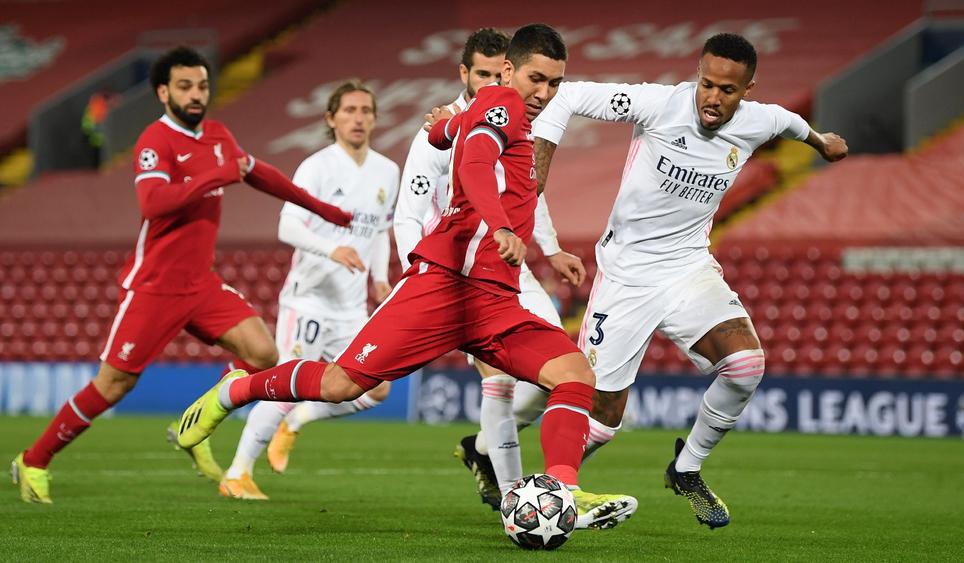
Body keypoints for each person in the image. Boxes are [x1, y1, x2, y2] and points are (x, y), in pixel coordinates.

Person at [174, 24, 635, 525]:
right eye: (535, 78)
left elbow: (457, 135)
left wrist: (442, 128)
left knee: (574, 375)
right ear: (507, 71)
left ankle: (561, 493)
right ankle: (234, 391)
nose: (544, 93)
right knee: (340, 385)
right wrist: (500, 225)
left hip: (495, 302)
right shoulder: (502, 103)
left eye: (554, 84)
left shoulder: (503, 115)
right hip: (442, 286)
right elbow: (478, 163)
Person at [529, 33, 848, 528]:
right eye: (706, 84)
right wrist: (537, 177)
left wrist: (821, 141)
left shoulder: (757, 120)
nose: (713, 98)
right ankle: (548, 494)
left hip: (687, 266)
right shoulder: (658, 104)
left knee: (745, 366)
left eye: (727, 90)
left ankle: (686, 468)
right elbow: (567, 96)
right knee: (603, 419)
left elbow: (789, 122)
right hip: (628, 275)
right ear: (695, 76)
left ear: (747, 90)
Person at [11, 46, 354, 504]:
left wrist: (324, 209)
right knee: (113, 384)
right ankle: (33, 460)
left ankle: (193, 422)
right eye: (185, 86)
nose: (196, 94)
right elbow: (154, 204)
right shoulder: (155, 141)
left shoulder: (216, 134)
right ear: (163, 92)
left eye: (203, 85)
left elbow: (260, 174)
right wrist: (214, 175)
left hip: (202, 283)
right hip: (155, 286)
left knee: (262, 352)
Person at [388, 28, 605, 524]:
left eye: (495, 72)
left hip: (511, 262)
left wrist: (549, 249)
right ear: (467, 74)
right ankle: (517, 497)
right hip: (456, 269)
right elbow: (409, 212)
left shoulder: (515, 120)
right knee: (500, 382)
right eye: (481, 74)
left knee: (559, 371)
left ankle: (486, 448)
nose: (491, 82)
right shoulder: (442, 132)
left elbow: (527, 191)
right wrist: (413, 272)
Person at [218, 80, 399, 500]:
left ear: (374, 118)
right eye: (349, 110)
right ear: (331, 119)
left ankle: (296, 422)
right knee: (286, 385)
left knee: (376, 387)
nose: (358, 118)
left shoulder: (387, 171)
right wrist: (332, 249)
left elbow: (379, 230)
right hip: (309, 300)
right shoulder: (317, 167)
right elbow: (287, 225)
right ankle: (238, 472)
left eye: (366, 111)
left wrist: (379, 276)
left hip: (352, 306)